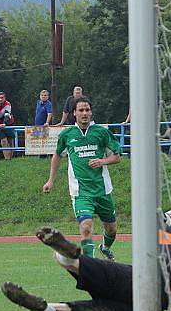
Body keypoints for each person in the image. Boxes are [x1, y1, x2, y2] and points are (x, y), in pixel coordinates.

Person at [1, 221, 171, 311]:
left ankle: (65, 253)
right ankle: (45, 309)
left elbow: (154, 220)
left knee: (78, 265)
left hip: (138, 280)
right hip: (139, 309)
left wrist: (170, 221)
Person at [43, 96, 121, 260]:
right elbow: (57, 155)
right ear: (74, 113)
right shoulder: (67, 135)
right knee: (86, 227)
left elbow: (116, 157)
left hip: (102, 190)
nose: (84, 113)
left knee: (111, 229)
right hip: (81, 192)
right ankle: (91, 266)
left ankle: (105, 247)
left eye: (87, 110)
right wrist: (51, 180)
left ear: (91, 112)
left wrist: (102, 161)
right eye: (81, 110)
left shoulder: (101, 133)